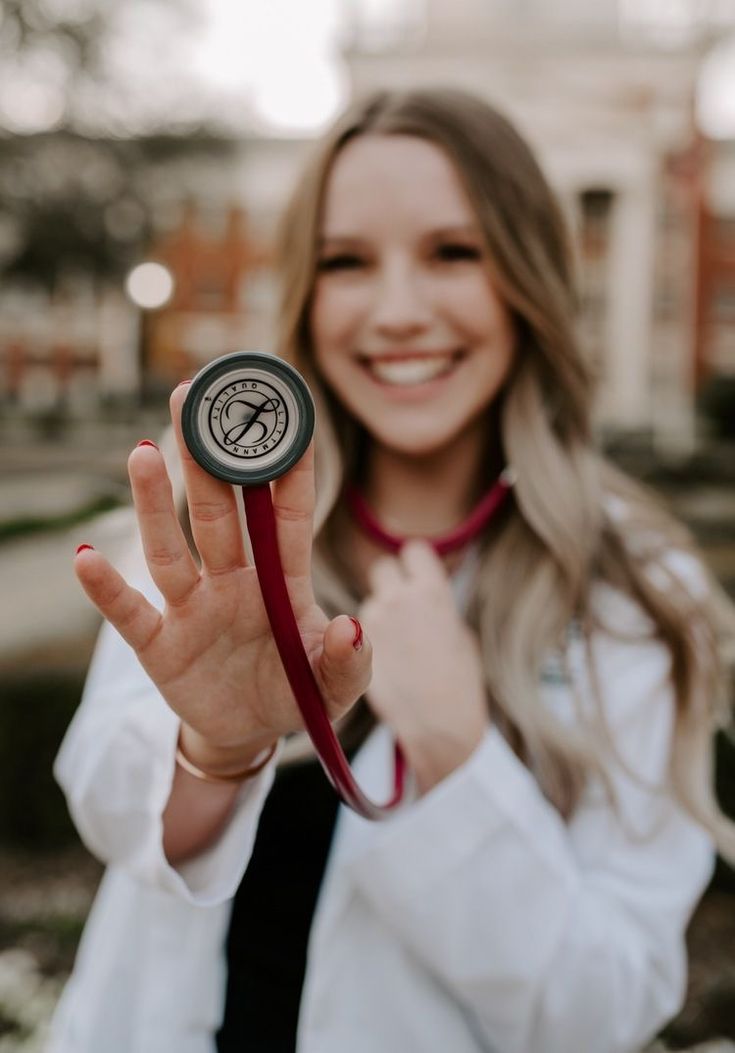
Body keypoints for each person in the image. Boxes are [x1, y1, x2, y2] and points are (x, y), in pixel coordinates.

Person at [49, 87, 735, 1053]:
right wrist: (215, 747)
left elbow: (605, 1006)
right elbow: (112, 817)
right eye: (347, 262)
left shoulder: (637, 588)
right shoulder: (212, 536)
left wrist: (460, 752)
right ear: (305, 289)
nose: (399, 311)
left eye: (453, 253)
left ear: (530, 277)